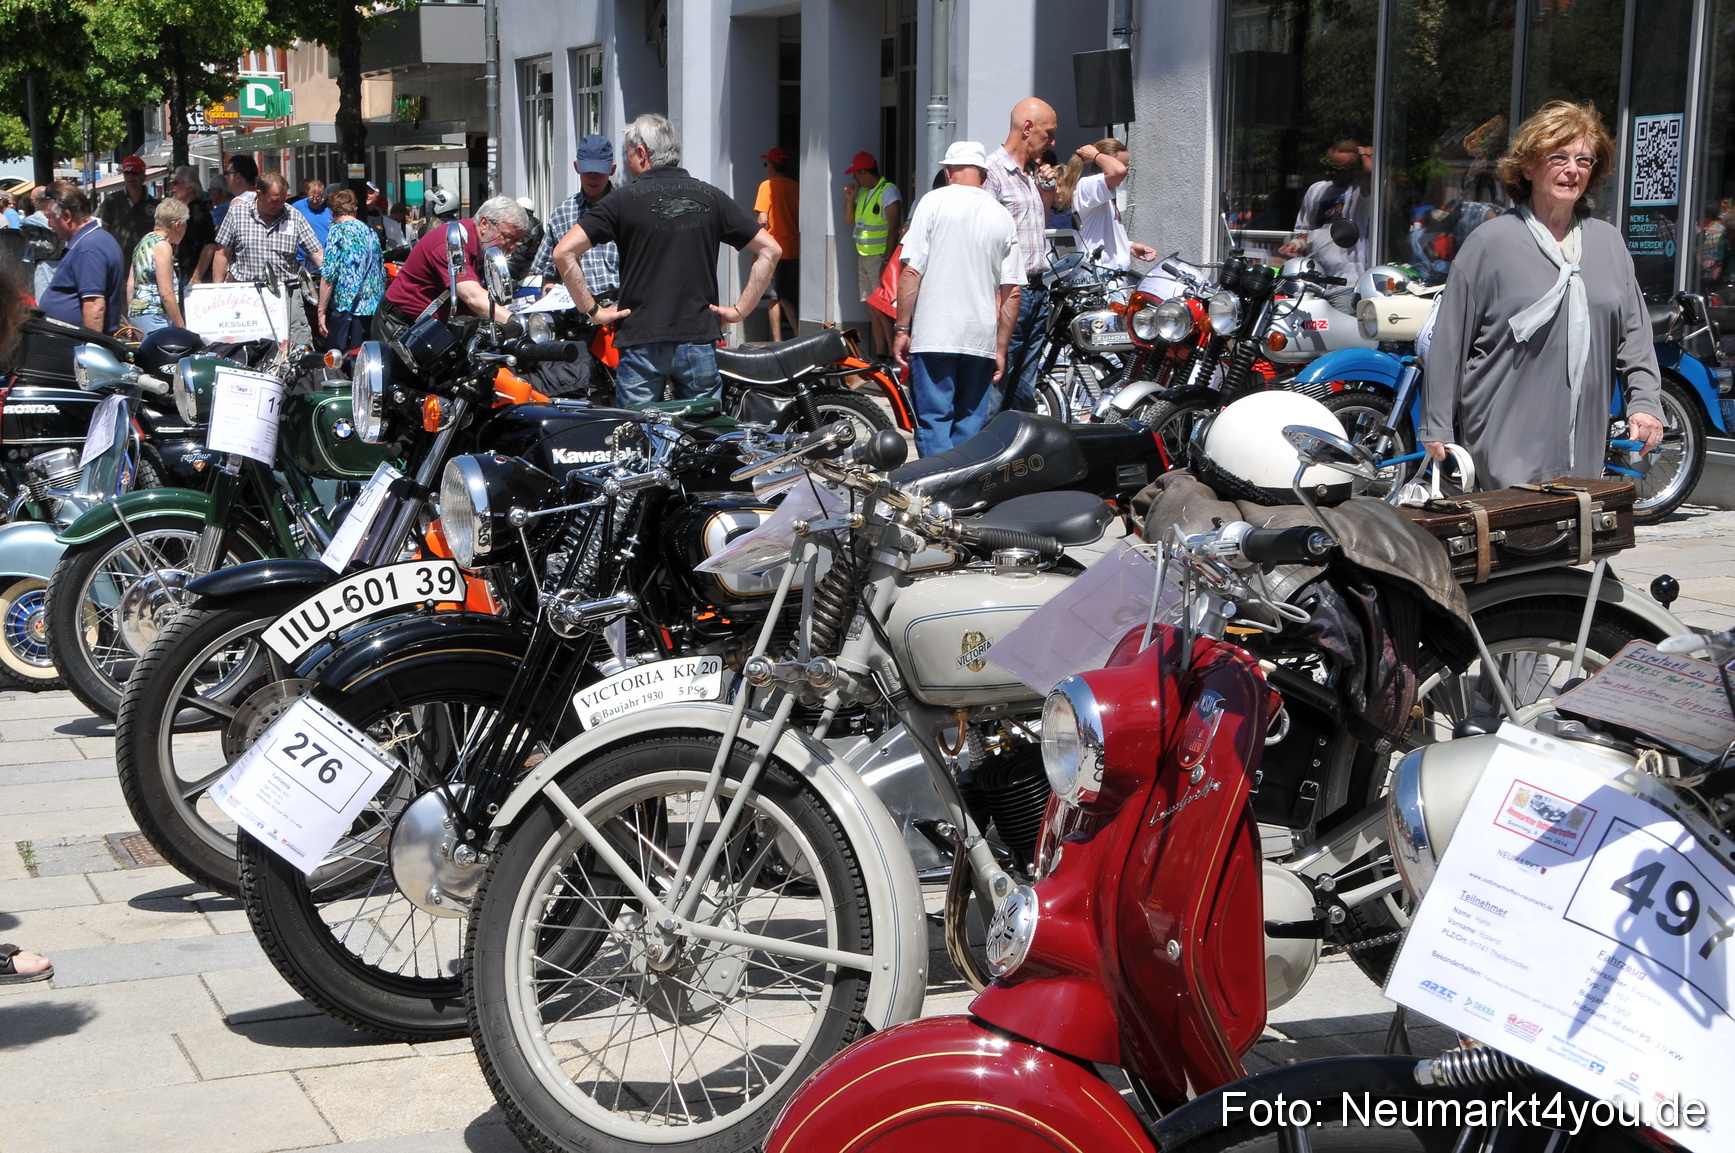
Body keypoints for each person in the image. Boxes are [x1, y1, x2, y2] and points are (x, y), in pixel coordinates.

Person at [1421, 101, 1665, 490]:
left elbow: (1634, 337)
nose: (1572, 170)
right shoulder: (1491, 242)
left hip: (1581, 434)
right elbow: (1449, 340)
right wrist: (1436, 424)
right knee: (1513, 537)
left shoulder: (1609, 243)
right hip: (1503, 427)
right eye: (1559, 157)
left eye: (1584, 160)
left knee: (1568, 537)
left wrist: (1645, 404)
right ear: (1529, 166)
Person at [552, 113, 779, 407]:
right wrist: (740, 310)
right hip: (697, 337)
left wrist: (592, 310)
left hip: (640, 337)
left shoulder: (621, 200)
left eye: (628, 154)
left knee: (641, 439)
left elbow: (563, 252)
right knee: (702, 438)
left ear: (643, 153)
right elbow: (770, 250)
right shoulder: (711, 197)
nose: (629, 161)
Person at [894, 142, 1023, 457]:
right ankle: (963, 491)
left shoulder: (932, 203)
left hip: (934, 334)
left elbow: (911, 272)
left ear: (949, 170)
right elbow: (1013, 292)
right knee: (969, 424)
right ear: (982, 174)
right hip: (980, 337)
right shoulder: (1001, 215)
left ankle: (937, 493)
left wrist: (901, 328)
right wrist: (1001, 348)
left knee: (934, 421)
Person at [529, 134, 621, 397]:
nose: (593, 178)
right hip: (579, 320)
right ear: (576, 167)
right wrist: (549, 290)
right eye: (588, 171)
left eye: (600, 172)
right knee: (578, 389)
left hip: (621, 314)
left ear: (612, 170)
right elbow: (547, 272)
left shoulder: (627, 206)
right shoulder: (563, 212)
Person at [984, 97, 1060, 413]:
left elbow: (1036, 228)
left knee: (1023, 389)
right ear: (1027, 128)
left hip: (1037, 288)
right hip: (1009, 291)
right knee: (998, 383)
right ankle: (983, 453)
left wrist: (1046, 190)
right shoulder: (992, 172)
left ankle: (1015, 453)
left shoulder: (1030, 174)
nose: (1053, 142)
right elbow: (984, 240)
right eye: (1049, 133)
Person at [373, 195, 529, 343]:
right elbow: (472, 296)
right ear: (484, 224)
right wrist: (516, 322)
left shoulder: (486, 248)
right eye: (508, 237)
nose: (512, 246)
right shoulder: (452, 242)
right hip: (401, 325)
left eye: (517, 241)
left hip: (438, 328)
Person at [212, 171, 324, 347]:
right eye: (274, 200)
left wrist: (331, 275)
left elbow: (317, 253)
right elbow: (222, 253)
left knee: (298, 346)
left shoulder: (294, 216)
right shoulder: (237, 214)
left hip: (286, 294)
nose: (280, 204)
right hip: (247, 294)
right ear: (259, 194)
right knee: (248, 347)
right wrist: (218, 291)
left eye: (283, 199)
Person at [1278, 138, 1371, 293]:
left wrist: (1363, 154)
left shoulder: (1360, 191)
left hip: (1347, 283)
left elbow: (1371, 170)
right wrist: (1296, 245)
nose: (1329, 172)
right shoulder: (1316, 189)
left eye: (1337, 169)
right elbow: (1304, 230)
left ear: (1353, 169)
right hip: (1314, 279)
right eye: (1327, 166)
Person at [1052, 138, 1157, 271]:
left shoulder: (1103, 196)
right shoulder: (1086, 187)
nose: (1127, 171)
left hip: (1112, 280)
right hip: (1098, 280)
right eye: (1124, 165)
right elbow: (1118, 172)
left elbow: (1101, 235)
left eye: (1128, 165)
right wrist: (1095, 155)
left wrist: (1128, 245)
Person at [38, 181, 126, 334]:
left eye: (50, 217)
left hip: (74, 349)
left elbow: (95, 306)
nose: (49, 224)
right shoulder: (93, 240)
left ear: (66, 216)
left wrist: (90, 349)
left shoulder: (88, 247)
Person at [843, 151, 900, 358]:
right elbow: (849, 219)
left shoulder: (888, 191)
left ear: (864, 172)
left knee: (884, 309)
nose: (854, 178)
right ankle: (880, 354)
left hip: (879, 258)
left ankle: (894, 355)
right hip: (864, 256)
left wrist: (887, 259)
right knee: (873, 310)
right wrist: (850, 199)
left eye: (855, 174)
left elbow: (894, 227)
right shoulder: (864, 193)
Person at [315, 189, 385, 353]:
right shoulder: (371, 232)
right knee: (363, 358)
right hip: (372, 310)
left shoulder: (337, 232)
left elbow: (329, 276)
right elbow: (381, 272)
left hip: (346, 310)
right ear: (354, 208)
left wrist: (321, 312)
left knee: (340, 361)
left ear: (332, 212)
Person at [124, 197, 189, 333]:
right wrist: (181, 327)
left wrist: (134, 316)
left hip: (138, 316)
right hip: (156, 316)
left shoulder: (142, 243)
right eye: (185, 225)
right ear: (177, 225)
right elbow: (165, 292)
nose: (186, 230)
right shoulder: (163, 246)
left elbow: (130, 285)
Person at [755, 146, 799, 340]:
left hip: (774, 249)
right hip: (793, 248)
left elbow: (763, 219)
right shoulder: (796, 187)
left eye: (767, 164)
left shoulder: (767, 186)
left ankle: (777, 340)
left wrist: (758, 249)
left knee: (772, 296)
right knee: (787, 296)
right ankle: (799, 335)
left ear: (772, 167)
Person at [100, 155, 159, 262]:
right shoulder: (111, 201)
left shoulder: (156, 204)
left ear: (144, 176)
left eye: (135, 173)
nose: (130, 177)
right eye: (127, 173)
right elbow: (104, 234)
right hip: (118, 266)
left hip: (146, 267)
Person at [168, 165, 218, 291]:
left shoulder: (198, 211)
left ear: (190, 187)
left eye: (176, 183)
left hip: (193, 278)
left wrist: (196, 276)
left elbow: (209, 245)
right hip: (184, 273)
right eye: (171, 183)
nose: (172, 187)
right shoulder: (186, 210)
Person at [292, 179, 333, 263]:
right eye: (311, 198)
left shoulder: (330, 208)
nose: (314, 201)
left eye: (318, 198)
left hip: (325, 258)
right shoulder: (297, 207)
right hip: (302, 260)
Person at [212, 155, 258, 230]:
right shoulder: (263, 197)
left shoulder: (237, 204)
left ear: (238, 177)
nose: (225, 177)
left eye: (227, 173)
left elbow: (225, 239)